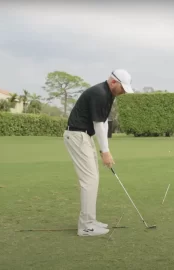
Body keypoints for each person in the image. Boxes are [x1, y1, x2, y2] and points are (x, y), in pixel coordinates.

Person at [63, 69, 134, 236]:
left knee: (93, 179)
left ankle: (90, 221)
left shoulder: (108, 95)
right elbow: (98, 125)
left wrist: (106, 149)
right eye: (122, 88)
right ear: (113, 82)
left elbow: (104, 124)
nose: (123, 92)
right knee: (89, 180)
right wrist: (105, 152)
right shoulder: (100, 94)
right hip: (77, 135)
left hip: (83, 136)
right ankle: (86, 226)